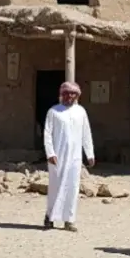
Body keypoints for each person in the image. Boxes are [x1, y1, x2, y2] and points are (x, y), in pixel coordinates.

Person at [43, 81, 95, 232]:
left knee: (72, 188)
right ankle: (50, 217)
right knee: (55, 187)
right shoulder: (53, 111)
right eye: (66, 93)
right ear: (61, 95)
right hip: (57, 157)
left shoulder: (81, 112)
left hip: (75, 158)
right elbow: (47, 134)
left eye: (72, 93)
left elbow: (86, 133)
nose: (69, 96)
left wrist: (89, 153)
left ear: (77, 95)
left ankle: (69, 220)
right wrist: (50, 153)